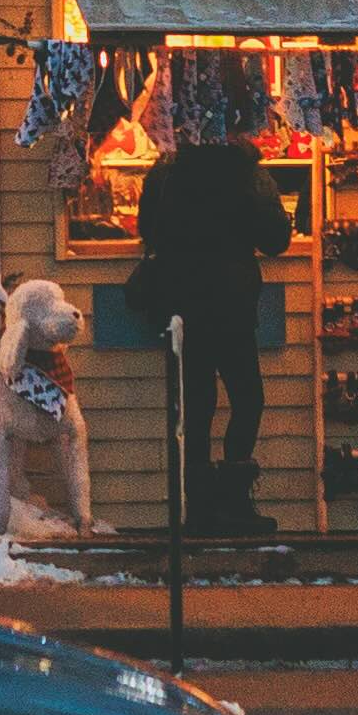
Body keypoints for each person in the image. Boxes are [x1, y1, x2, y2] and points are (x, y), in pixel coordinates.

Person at [129, 136, 283, 534]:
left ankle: (198, 508)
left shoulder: (166, 172)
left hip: (182, 301)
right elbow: (276, 239)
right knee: (248, 397)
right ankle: (235, 503)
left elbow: (149, 229)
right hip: (232, 301)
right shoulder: (249, 173)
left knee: (197, 403)